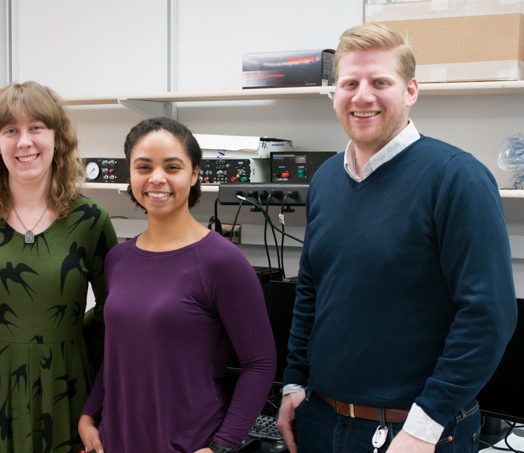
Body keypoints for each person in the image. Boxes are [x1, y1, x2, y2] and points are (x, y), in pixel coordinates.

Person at [276, 22, 517, 453]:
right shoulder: (328, 178)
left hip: (417, 432)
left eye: (380, 82)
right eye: (350, 82)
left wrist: (423, 429)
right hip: (321, 420)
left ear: (410, 91)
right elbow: (312, 289)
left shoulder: (456, 178)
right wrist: (294, 380)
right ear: (335, 93)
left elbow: (488, 315)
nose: (362, 95)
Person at [0, 81, 118, 453]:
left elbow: (118, 311)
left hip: (66, 389)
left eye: (36, 128)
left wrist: (74, 342)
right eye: (10, 130)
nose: (24, 141)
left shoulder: (90, 220)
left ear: (57, 138)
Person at [78, 117, 277, 453]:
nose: (157, 178)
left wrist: (223, 445)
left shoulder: (221, 261)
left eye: (172, 166)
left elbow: (260, 363)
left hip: (188, 443)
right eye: (144, 167)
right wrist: (89, 413)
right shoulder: (118, 259)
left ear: (195, 173)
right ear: (131, 174)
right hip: (117, 440)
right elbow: (118, 353)